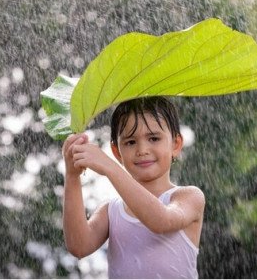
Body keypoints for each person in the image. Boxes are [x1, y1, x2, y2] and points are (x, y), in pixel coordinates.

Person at [62, 96, 205, 279]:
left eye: (153, 138)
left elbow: (162, 221)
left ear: (176, 145)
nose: (142, 150)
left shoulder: (188, 197)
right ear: (117, 152)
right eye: (130, 142)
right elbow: (78, 246)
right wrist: (72, 176)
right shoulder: (110, 210)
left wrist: (109, 167)